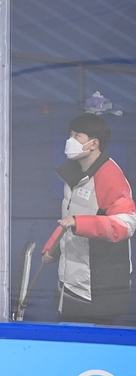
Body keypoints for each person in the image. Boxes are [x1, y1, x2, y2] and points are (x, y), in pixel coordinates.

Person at [50, 113, 136, 324]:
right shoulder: (72, 173)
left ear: (94, 143)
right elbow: (68, 219)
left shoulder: (110, 176)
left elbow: (126, 223)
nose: (70, 140)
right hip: (71, 281)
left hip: (98, 287)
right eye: (70, 135)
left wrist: (80, 223)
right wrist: (52, 247)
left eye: (77, 136)